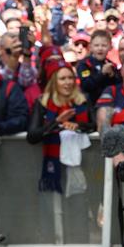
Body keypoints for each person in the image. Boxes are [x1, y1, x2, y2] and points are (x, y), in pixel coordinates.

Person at [27, 59, 95, 192]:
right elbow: (32, 136)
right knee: (55, 207)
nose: (68, 82)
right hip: (53, 161)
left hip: (83, 162)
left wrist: (78, 125)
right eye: (62, 78)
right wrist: (57, 121)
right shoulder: (42, 102)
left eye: (70, 77)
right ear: (54, 81)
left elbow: (94, 125)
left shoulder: (83, 99)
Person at [76, 30, 118, 105]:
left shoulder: (111, 65)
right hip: (92, 104)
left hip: (110, 103)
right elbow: (86, 85)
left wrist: (113, 76)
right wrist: (101, 73)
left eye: (104, 45)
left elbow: (118, 85)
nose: (100, 48)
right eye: (96, 45)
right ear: (91, 47)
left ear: (110, 46)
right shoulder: (85, 64)